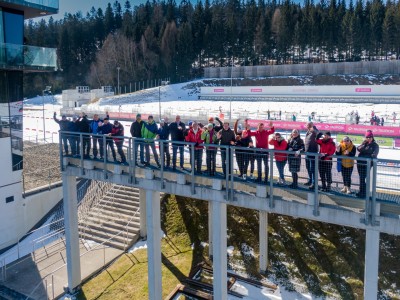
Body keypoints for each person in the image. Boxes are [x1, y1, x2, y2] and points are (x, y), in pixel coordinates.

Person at [356, 130, 379, 198]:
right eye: (367, 137)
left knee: (364, 178)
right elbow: (358, 149)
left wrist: (365, 153)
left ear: (372, 137)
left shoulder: (375, 145)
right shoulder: (364, 143)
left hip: (368, 164)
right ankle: (362, 192)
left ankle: (365, 192)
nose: (368, 138)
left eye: (370, 137)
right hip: (360, 163)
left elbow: (374, 154)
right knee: (361, 178)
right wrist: (364, 144)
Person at [304, 122, 319, 189]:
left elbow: (318, 133)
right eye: (307, 125)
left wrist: (313, 128)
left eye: (308, 125)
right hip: (307, 153)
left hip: (313, 153)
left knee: (313, 169)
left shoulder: (314, 130)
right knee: (308, 168)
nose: (307, 126)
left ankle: (314, 183)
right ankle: (310, 180)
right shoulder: (308, 131)